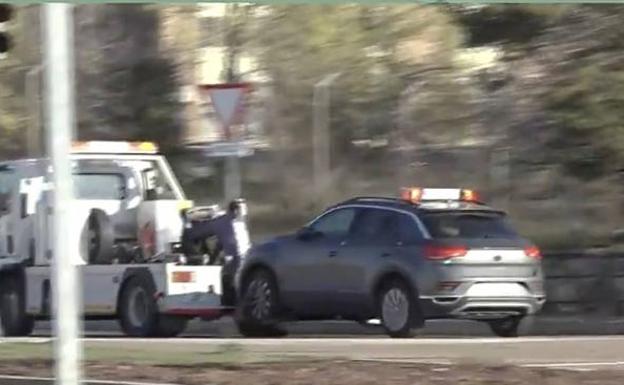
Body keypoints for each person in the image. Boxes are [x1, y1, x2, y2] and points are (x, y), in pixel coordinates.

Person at [180, 198, 250, 306]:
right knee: (235, 281)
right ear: (236, 210)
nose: (246, 212)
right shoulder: (225, 222)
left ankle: (236, 301)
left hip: (243, 257)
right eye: (243, 209)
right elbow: (223, 242)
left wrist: (212, 259)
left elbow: (223, 243)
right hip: (236, 259)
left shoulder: (238, 222)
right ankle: (236, 302)